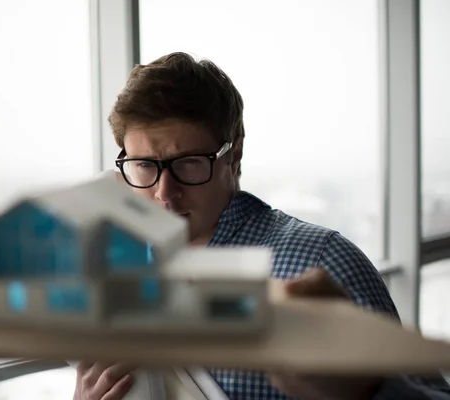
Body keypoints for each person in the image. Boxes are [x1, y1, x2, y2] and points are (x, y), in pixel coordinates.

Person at [73, 52, 450, 400]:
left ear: (233, 156)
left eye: (188, 163)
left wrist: (365, 389)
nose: (164, 194)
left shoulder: (322, 263)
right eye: (145, 166)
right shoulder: (117, 271)